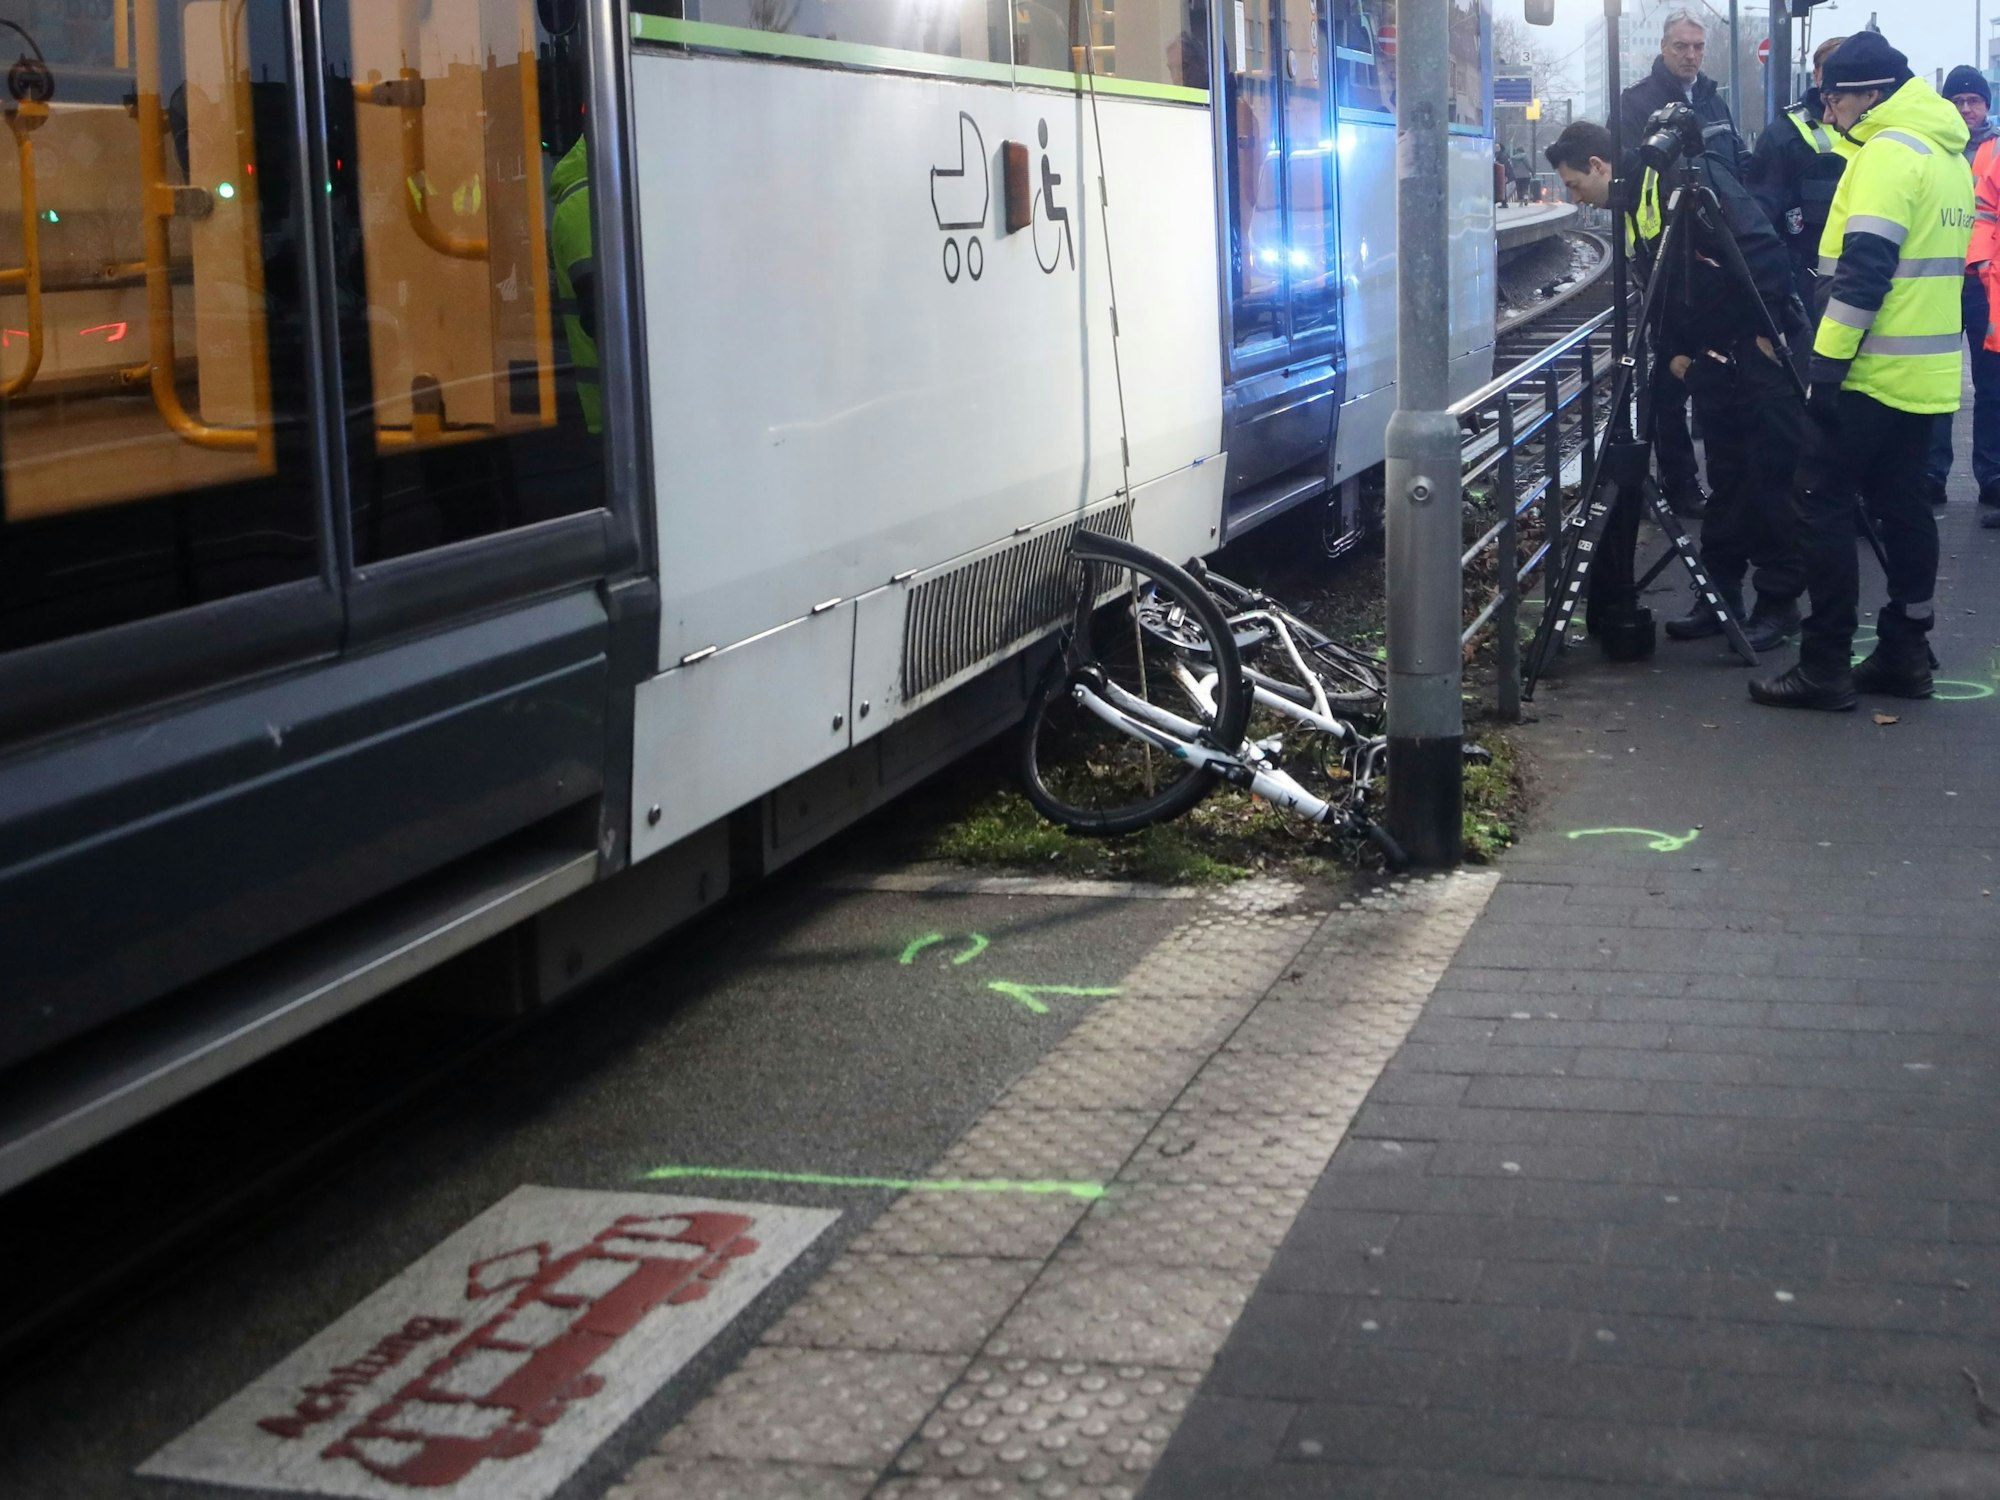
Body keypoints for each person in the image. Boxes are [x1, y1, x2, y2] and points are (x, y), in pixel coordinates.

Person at [1751, 35, 1974, 710]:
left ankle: (1823, 663)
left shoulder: (1886, 154)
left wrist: (1826, 366)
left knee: (1821, 503)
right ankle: (1906, 651)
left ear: (1869, 94)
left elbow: (1863, 274)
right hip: (1928, 373)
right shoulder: (1946, 154)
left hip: (1870, 371)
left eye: (1835, 98)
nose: (1830, 111)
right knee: (1905, 506)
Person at [1547, 116, 1809, 654]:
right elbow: (1671, 284)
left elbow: (1762, 251)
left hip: (1753, 353)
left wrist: (1767, 331)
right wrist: (1679, 354)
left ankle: (1779, 605)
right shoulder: (1641, 199)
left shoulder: (1681, 184)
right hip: (1715, 356)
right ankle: (1719, 597)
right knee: (1729, 480)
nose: (1578, 199)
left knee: (1768, 483)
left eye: (1575, 185)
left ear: (1599, 166)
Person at [1620, 11, 1744, 520]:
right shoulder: (1636, 103)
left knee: (1716, 368)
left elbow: (1732, 164)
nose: (1690, 55)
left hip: (1716, 255)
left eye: (1697, 46)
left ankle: (1724, 479)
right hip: (1668, 257)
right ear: (1664, 49)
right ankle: (1679, 482)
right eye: (1680, 47)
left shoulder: (1714, 98)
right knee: (1669, 379)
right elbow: (1633, 179)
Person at [1748, 35, 1855, 374]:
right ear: (1817, 76)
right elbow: (1760, 220)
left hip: (1862, 275)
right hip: (1806, 282)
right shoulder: (1784, 134)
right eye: (1831, 70)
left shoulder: (1885, 132)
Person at [1924, 65, 2000, 515]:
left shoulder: (1996, 152)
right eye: (1958, 101)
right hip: (1937, 278)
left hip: (1985, 283)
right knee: (1935, 382)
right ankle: (1931, 473)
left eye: (1974, 101)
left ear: (1986, 105)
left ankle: (1992, 475)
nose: (1967, 109)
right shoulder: (1934, 151)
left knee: (1992, 383)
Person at [550, 133, 600, 436]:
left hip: (633, 399)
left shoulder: (599, 194)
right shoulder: (586, 201)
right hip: (620, 400)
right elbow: (603, 316)